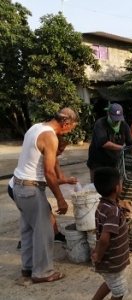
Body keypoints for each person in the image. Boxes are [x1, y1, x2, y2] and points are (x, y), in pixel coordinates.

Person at [13, 108, 78, 282]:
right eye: (71, 127)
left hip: (19, 187)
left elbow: (49, 162)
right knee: (44, 231)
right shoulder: (50, 137)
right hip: (31, 188)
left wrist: (63, 178)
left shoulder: (36, 127)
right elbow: (49, 172)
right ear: (65, 123)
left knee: (28, 231)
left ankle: (27, 268)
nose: (70, 131)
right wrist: (60, 199)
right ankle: (43, 272)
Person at [9, 136, 78, 250]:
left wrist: (66, 180)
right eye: (60, 150)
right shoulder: (40, 160)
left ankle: (55, 234)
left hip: (31, 187)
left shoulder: (53, 157)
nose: (61, 153)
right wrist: (61, 197)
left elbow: (60, 177)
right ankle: (26, 242)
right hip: (19, 188)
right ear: (53, 146)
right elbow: (49, 181)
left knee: (46, 210)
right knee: (36, 217)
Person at [91, 167, 130, 300]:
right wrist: (99, 256)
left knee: (110, 284)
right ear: (116, 188)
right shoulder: (113, 212)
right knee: (119, 291)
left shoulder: (103, 205)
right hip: (111, 260)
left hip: (110, 259)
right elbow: (104, 239)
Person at [87, 103, 132, 183]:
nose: (116, 121)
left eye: (118, 119)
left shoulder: (124, 125)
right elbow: (104, 143)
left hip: (113, 161)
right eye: (114, 119)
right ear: (108, 114)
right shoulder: (100, 124)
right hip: (98, 162)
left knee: (112, 186)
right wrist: (122, 148)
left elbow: (130, 144)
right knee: (97, 186)